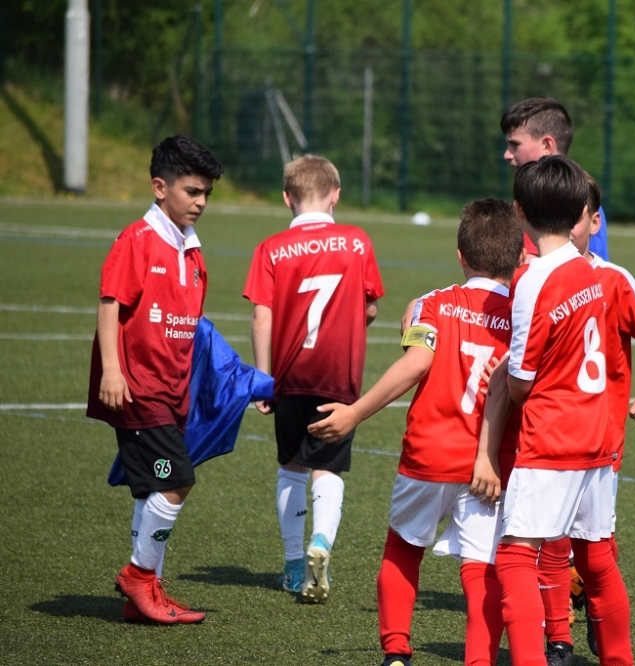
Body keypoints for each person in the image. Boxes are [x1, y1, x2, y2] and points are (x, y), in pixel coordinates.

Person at [307, 199, 524, 666]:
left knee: (404, 549)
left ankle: (396, 654)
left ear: (460, 255)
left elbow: (417, 362)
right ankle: (479, 661)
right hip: (489, 463)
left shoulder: (434, 303)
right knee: (481, 569)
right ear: (518, 256)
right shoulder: (523, 316)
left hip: (429, 452)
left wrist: (354, 413)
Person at [471, 155, 633, 666]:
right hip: (597, 435)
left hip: (553, 437)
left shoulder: (534, 280)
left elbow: (521, 382)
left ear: (519, 212)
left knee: (516, 556)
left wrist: (504, 377)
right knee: (598, 559)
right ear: (580, 210)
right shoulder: (589, 269)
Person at [87, 135, 224, 625]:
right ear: (160, 187)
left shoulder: (192, 251)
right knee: (177, 480)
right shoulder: (138, 240)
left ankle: (144, 597)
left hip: (171, 392)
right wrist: (112, 370)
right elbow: (110, 305)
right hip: (139, 390)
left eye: (206, 193)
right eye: (192, 191)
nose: (201, 202)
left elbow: (189, 328)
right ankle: (139, 576)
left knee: (152, 490)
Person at [539, 173, 635, 664]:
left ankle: (602, 626)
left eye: (577, 217)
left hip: (601, 440)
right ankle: (558, 639)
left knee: (595, 551)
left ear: (594, 223)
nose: (569, 227)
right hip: (549, 437)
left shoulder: (613, 279)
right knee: (550, 544)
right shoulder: (537, 276)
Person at [242, 155, 384, 603]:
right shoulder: (357, 241)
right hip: (338, 376)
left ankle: (291, 565)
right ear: (336, 195)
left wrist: (263, 377)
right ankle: (321, 541)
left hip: (289, 376)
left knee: (291, 467)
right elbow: (370, 308)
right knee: (328, 466)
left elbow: (261, 317)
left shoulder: (270, 248)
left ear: (287, 198)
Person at [500, 97, 610, 262]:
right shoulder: (526, 201)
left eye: (515, 145)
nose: (507, 154)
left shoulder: (583, 199)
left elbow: (595, 271)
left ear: (547, 145)